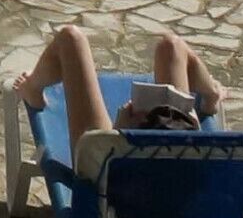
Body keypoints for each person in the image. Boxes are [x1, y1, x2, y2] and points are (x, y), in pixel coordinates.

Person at [13, 20, 229, 141]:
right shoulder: (213, 173)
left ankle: (32, 88)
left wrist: (122, 129)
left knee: (71, 38)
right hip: (182, 153)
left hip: (112, 171)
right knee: (171, 47)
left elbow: (117, 169)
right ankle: (211, 94)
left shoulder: (106, 159)